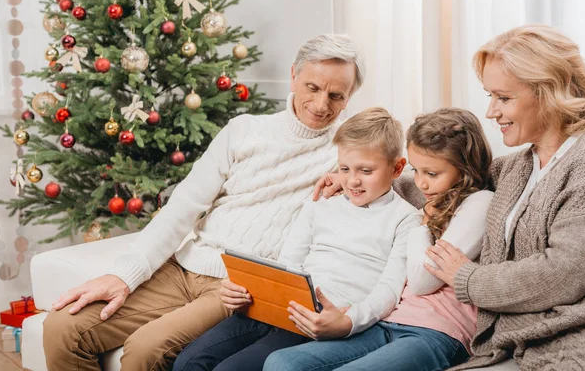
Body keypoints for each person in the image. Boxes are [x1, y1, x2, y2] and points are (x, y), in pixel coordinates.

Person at [42, 33, 365, 371]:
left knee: (145, 349)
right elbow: (182, 208)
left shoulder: (348, 152)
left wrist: (353, 177)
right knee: (63, 327)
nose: (321, 105)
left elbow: (395, 172)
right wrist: (123, 277)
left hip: (239, 287)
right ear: (294, 76)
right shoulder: (245, 130)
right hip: (182, 267)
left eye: (336, 95)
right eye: (313, 88)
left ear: (348, 99)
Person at [172, 107, 427, 371]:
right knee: (188, 362)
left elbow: (390, 289)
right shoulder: (321, 204)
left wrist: (349, 321)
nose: (352, 181)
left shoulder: (406, 218)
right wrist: (250, 291)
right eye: (344, 168)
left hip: (322, 319)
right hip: (279, 307)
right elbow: (289, 263)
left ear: (397, 168)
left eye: (365, 171)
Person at [263, 108, 494, 371]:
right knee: (281, 362)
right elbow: (386, 174)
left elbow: (422, 281)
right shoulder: (431, 200)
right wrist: (347, 176)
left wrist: (423, 223)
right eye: (417, 171)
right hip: (390, 321)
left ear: (464, 168)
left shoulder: (477, 203)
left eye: (431, 174)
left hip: (438, 329)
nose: (421, 184)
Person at [423, 24, 585, 370]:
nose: (491, 112)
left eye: (503, 98)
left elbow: (564, 273)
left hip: (571, 344)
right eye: (490, 97)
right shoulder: (519, 165)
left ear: (548, 93)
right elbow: (457, 177)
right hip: (507, 344)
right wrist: (365, 179)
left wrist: (467, 278)